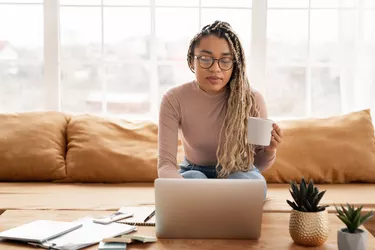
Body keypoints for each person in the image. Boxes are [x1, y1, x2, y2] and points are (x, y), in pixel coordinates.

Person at [157, 20, 283, 196]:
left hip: (239, 172)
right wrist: (181, 189)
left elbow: (259, 165)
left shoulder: (252, 99)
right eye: (205, 59)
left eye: (225, 61)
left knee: (242, 180)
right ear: (191, 62)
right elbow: (165, 165)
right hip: (193, 172)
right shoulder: (173, 99)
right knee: (194, 178)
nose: (215, 69)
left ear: (235, 65)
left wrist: (270, 150)